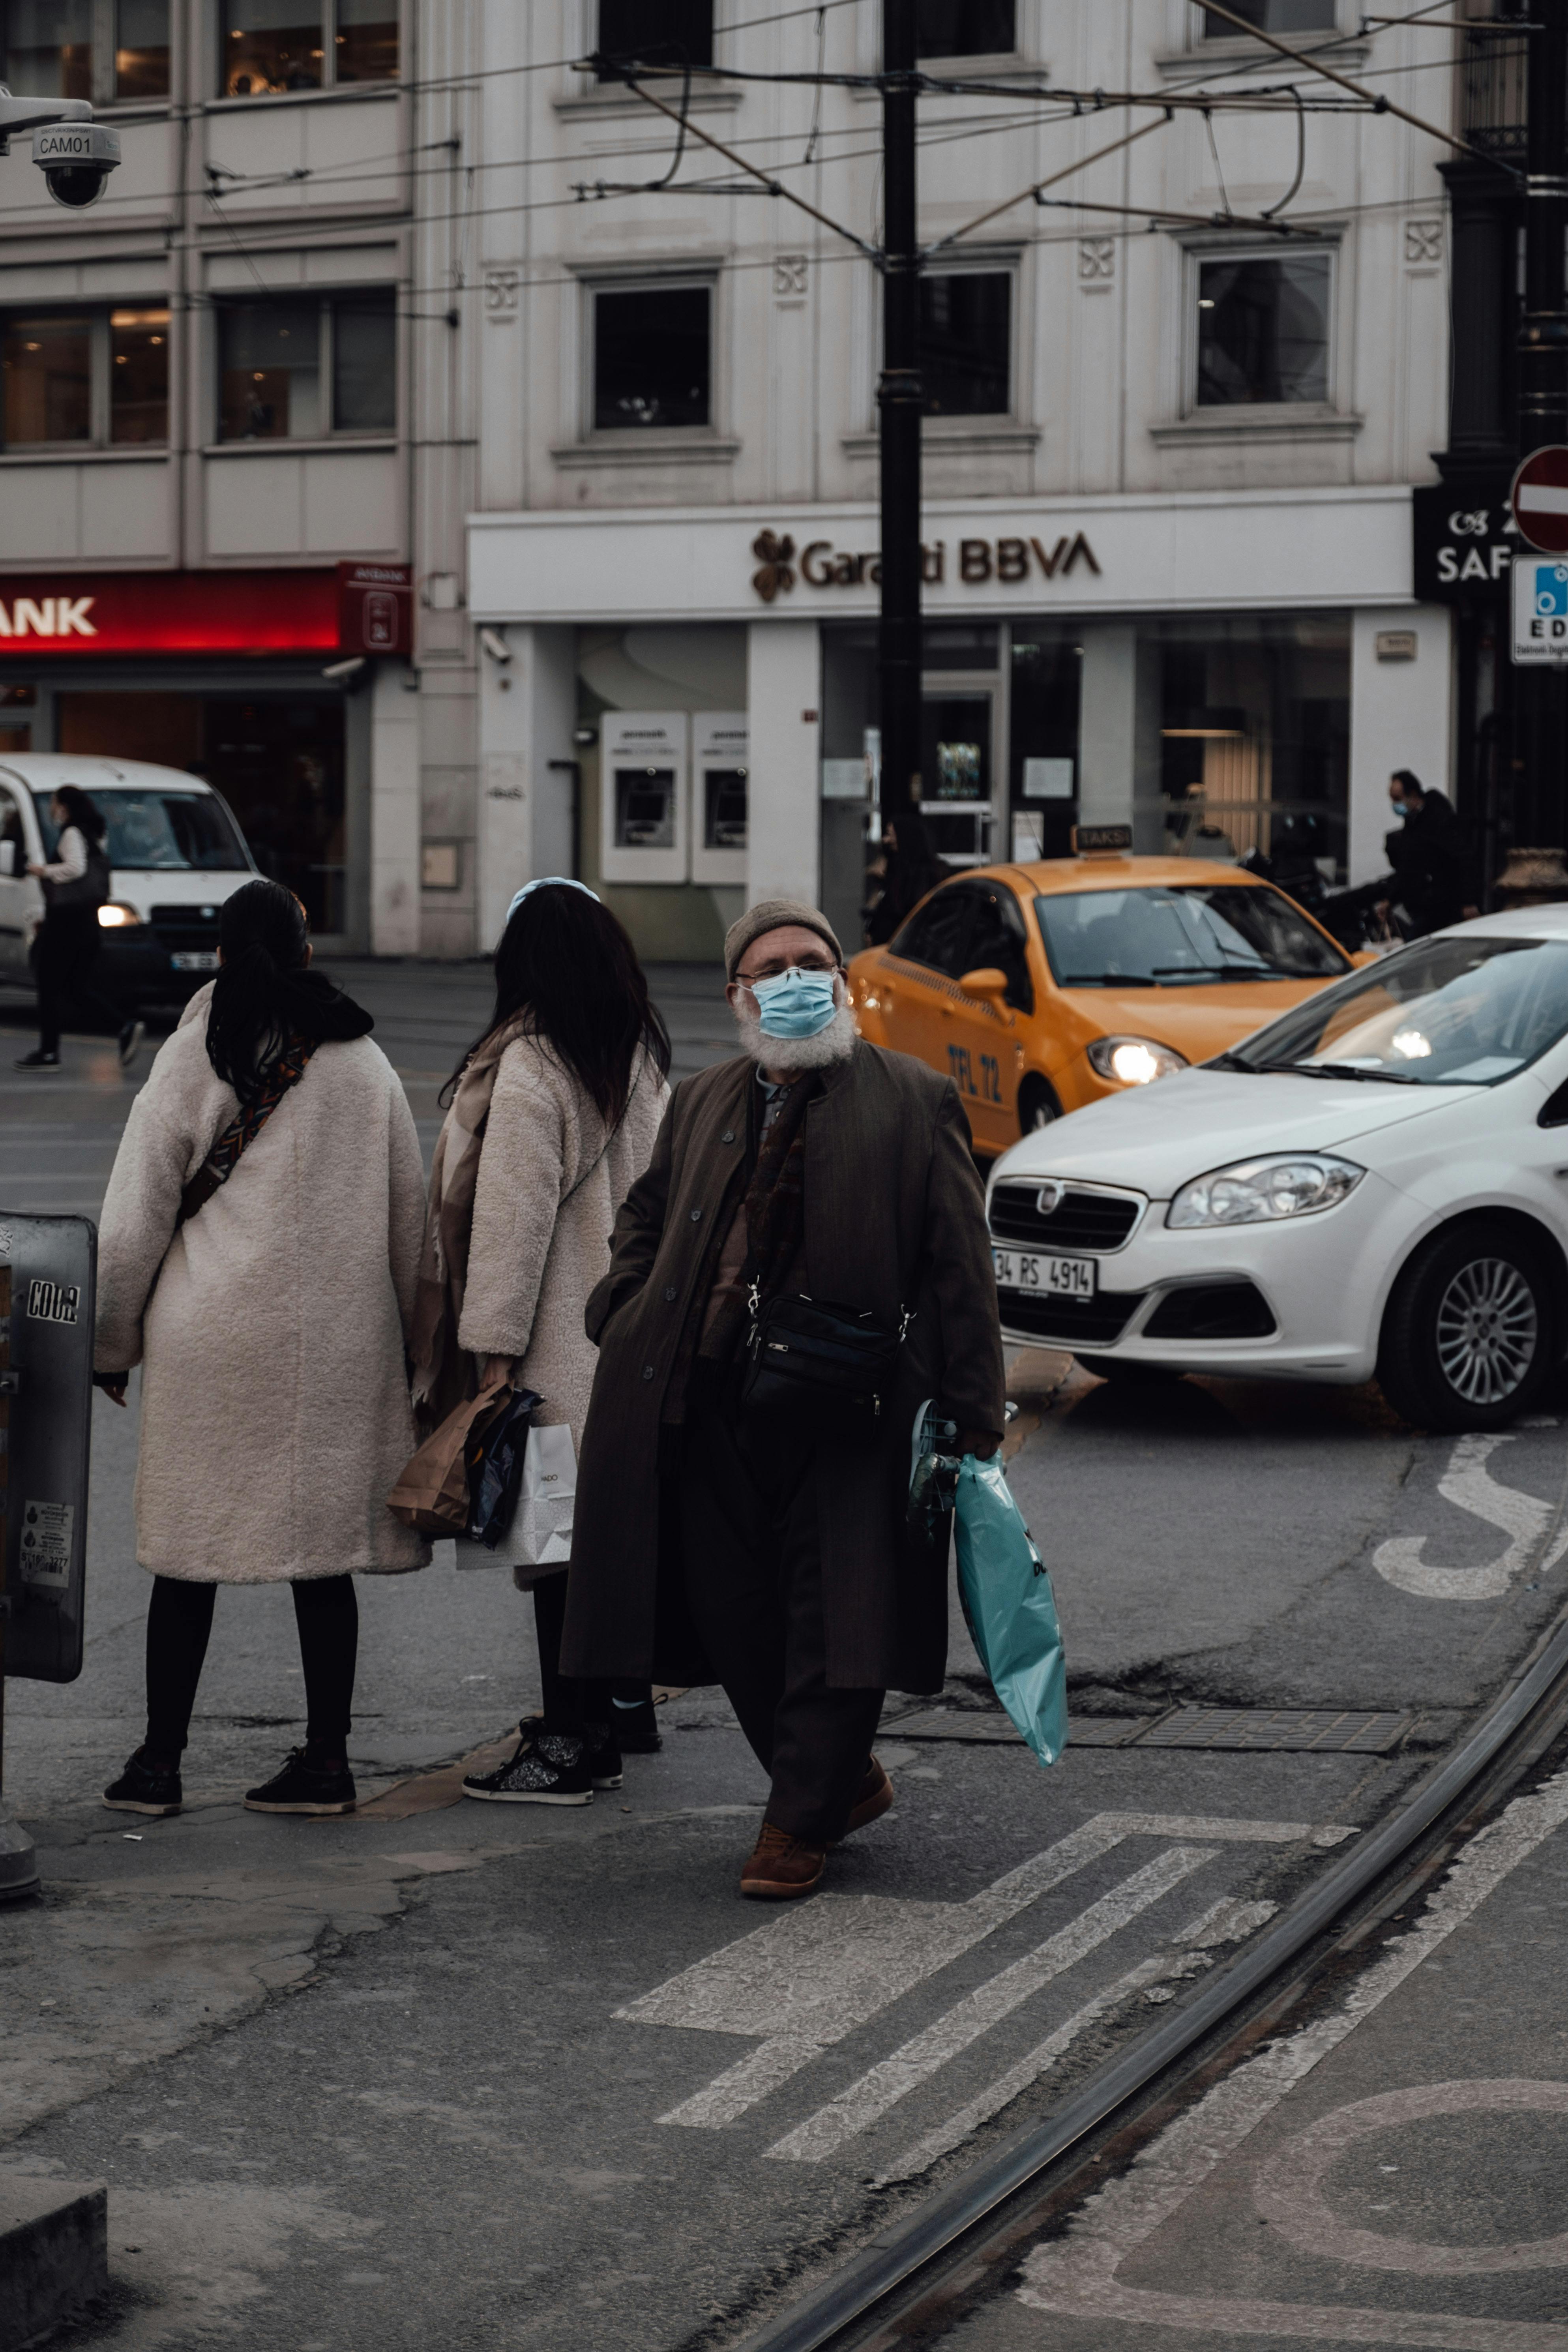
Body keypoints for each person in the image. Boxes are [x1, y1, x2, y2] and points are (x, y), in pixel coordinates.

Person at [561, 898, 1006, 1900]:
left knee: (839, 1617)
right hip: (703, 1396)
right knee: (734, 1615)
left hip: (856, 1407)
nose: (796, 977)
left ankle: (795, 1823)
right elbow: (644, 1210)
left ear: (841, 981)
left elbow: (958, 1267)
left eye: (814, 961)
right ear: (739, 993)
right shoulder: (704, 1095)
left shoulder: (912, 1096)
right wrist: (620, 1305)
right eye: (774, 966)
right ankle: (837, 1781)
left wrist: (977, 1410)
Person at [94, 878, 429, 1820]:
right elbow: (413, 1225)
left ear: (222, 956)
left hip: (211, 1339)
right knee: (319, 1560)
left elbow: (131, 1226)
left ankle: (159, 1764)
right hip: (335, 1341)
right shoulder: (365, 1065)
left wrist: (111, 1344)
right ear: (306, 952)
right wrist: (415, 1352)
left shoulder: (194, 1054)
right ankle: (327, 1761)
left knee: (186, 1555)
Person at [408, 879, 671, 1807]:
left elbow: (511, 1227)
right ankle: (613, 1716)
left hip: (558, 1349)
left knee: (555, 1558)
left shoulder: (531, 1066)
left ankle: (570, 1739)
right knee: (601, 1549)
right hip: (637, 1342)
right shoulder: (637, 1057)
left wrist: (491, 1354)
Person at [16, 783, 143, 1073]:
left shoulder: (72, 833)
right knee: (75, 988)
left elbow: (76, 869)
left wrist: (42, 871)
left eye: (54, 803)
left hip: (66, 922)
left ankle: (49, 1053)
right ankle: (124, 1026)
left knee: (49, 984)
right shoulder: (95, 833)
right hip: (85, 921)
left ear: (64, 806)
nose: (51, 809)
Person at [1377, 770, 1479, 937]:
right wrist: (1391, 899)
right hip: (1426, 903)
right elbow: (1408, 866)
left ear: (1413, 795)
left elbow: (1462, 858)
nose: (1395, 804)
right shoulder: (1413, 822)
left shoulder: (1439, 821)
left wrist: (1468, 901)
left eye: (1397, 798)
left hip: (1441, 902)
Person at [863, 812, 949, 946]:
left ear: (905, 837)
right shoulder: (896, 871)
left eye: (891, 834)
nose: (886, 840)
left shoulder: (923, 875)